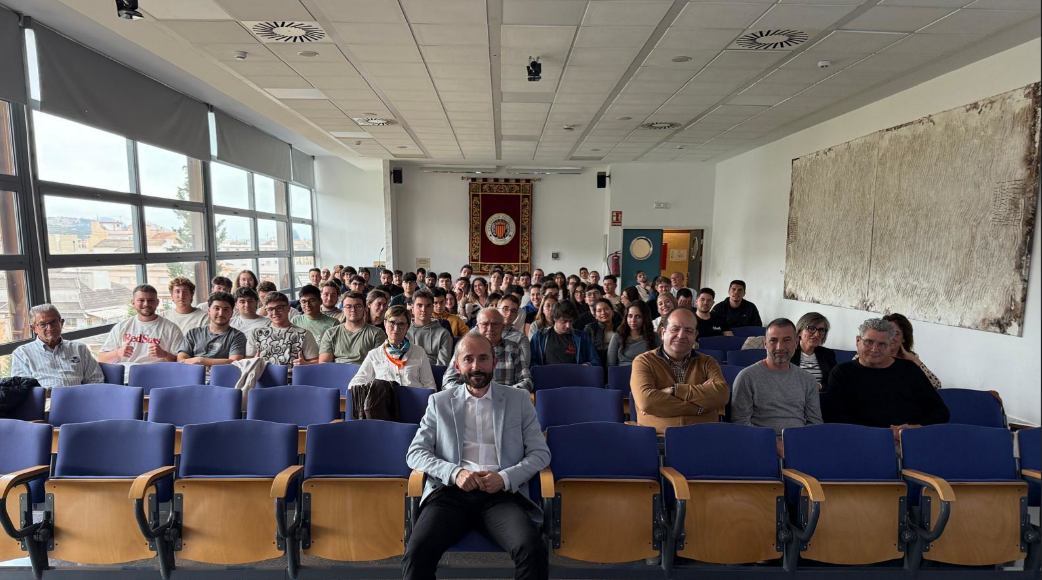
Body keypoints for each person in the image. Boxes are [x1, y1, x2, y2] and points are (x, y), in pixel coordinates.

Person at [404, 333, 550, 580]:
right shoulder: (439, 402)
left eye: (483, 358)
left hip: (501, 495)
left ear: (494, 362)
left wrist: (504, 478)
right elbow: (416, 453)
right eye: (468, 359)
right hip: (450, 493)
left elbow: (540, 453)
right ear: (457, 365)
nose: (476, 367)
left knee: (532, 549)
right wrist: (455, 473)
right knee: (417, 551)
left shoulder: (518, 400)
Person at [823, 318, 949, 440]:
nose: (874, 349)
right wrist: (881, 434)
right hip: (861, 439)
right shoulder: (842, 373)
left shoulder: (909, 370)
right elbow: (833, 415)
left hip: (907, 440)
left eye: (882, 344)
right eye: (869, 342)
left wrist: (917, 428)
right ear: (858, 341)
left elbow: (940, 411)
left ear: (890, 346)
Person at [630, 308, 729, 434]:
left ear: (695, 336)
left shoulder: (708, 362)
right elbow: (647, 402)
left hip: (703, 436)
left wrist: (674, 390)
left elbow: (722, 395)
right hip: (659, 438)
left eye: (688, 331)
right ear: (663, 332)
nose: (681, 335)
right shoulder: (644, 361)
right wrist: (700, 407)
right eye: (675, 329)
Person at [731, 319, 823, 436]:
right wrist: (773, 443)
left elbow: (814, 423)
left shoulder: (808, 380)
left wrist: (795, 442)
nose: (780, 347)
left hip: (799, 442)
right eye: (773, 340)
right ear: (765, 343)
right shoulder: (746, 377)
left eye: (786, 340)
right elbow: (741, 423)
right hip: (760, 443)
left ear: (796, 342)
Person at [12, 304, 104, 387]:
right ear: (33, 328)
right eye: (43, 324)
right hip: (46, 399)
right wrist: (47, 393)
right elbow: (23, 389)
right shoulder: (22, 354)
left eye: (54, 322)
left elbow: (96, 380)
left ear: (61, 323)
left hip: (81, 397)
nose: (50, 328)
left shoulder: (80, 349)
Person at [445, 308, 533, 392]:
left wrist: (500, 394)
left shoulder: (514, 349)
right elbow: (448, 382)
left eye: (495, 324)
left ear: (502, 327)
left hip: (505, 400)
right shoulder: (464, 348)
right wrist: (471, 394)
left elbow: (526, 381)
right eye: (485, 324)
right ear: (477, 327)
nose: (490, 329)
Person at [98, 284, 183, 369]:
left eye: (150, 300)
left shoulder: (172, 329)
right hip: (126, 375)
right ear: (133, 303)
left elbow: (181, 363)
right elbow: (101, 359)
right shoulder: (121, 327)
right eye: (141, 300)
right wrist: (118, 353)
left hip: (156, 374)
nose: (146, 304)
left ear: (157, 302)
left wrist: (165, 354)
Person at [350, 305, 436, 389]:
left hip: (414, 398)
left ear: (407, 327)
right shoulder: (374, 355)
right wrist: (376, 388)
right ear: (385, 323)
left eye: (401, 324)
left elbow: (430, 385)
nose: (396, 328)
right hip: (385, 398)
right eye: (392, 323)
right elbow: (354, 384)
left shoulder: (419, 352)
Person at [247, 291, 319, 367]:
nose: (275, 312)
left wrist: (305, 364)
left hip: (291, 374)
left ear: (288, 308)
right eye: (270, 309)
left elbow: (316, 362)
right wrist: (253, 362)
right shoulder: (256, 333)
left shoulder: (303, 334)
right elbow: (247, 361)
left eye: (279, 308)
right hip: (263, 373)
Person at [177, 292, 246, 366]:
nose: (221, 313)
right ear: (209, 311)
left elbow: (235, 363)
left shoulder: (237, 336)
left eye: (226, 309)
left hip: (221, 373)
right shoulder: (193, 333)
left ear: (232, 313)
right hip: (194, 372)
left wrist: (201, 360)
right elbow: (181, 360)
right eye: (217, 308)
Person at [319, 291, 388, 364]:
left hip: (365, 370)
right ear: (343, 309)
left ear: (365, 308)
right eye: (348, 306)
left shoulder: (377, 333)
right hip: (338, 370)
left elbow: (380, 363)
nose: (353, 310)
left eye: (358, 306)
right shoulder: (331, 333)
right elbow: (324, 363)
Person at [530, 301, 600, 366]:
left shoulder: (582, 337)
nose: (568, 325)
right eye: (564, 321)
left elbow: (595, 360)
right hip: (548, 374)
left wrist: (587, 365)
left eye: (571, 321)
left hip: (575, 374)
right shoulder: (540, 336)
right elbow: (532, 361)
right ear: (555, 319)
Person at [883, 313, 942, 389]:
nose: (891, 337)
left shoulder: (910, 360)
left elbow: (936, 386)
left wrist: (915, 360)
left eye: (896, 334)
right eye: (887, 332)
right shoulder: (874, 356)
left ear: (904, 338)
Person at [407, 289, 453, 367]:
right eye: (419, 305)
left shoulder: (443, 334)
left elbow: (442, 366)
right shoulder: (404, 331)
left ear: (432, 308)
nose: (423, 310)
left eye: (428, 306)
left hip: (433, 373)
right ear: (412, 308)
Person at [791, 312, 837, 391]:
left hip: (819, 397)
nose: (816, 334)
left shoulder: (828, 354)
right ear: (800, 331)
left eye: (821, 330)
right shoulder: (789, 352)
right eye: (811, 328)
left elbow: (835, 383)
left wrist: (820, 386)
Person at [607, 301, 660, 366]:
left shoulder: (654, 336)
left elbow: (660, 362)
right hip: (622, 371)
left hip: (645, 370)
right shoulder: (618, 336)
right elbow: (610, 365)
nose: (633, 320)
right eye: (630, 316)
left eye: (638, 316)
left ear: (645, 318)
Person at [583, 298, 617, 368]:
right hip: (597, 367)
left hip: (617, 365)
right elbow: (584, 350)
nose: (603, 313)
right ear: (595, 315)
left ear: (612, 311)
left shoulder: (620, 328)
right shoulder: (590, 329)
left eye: (606, 309)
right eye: (599, 311)